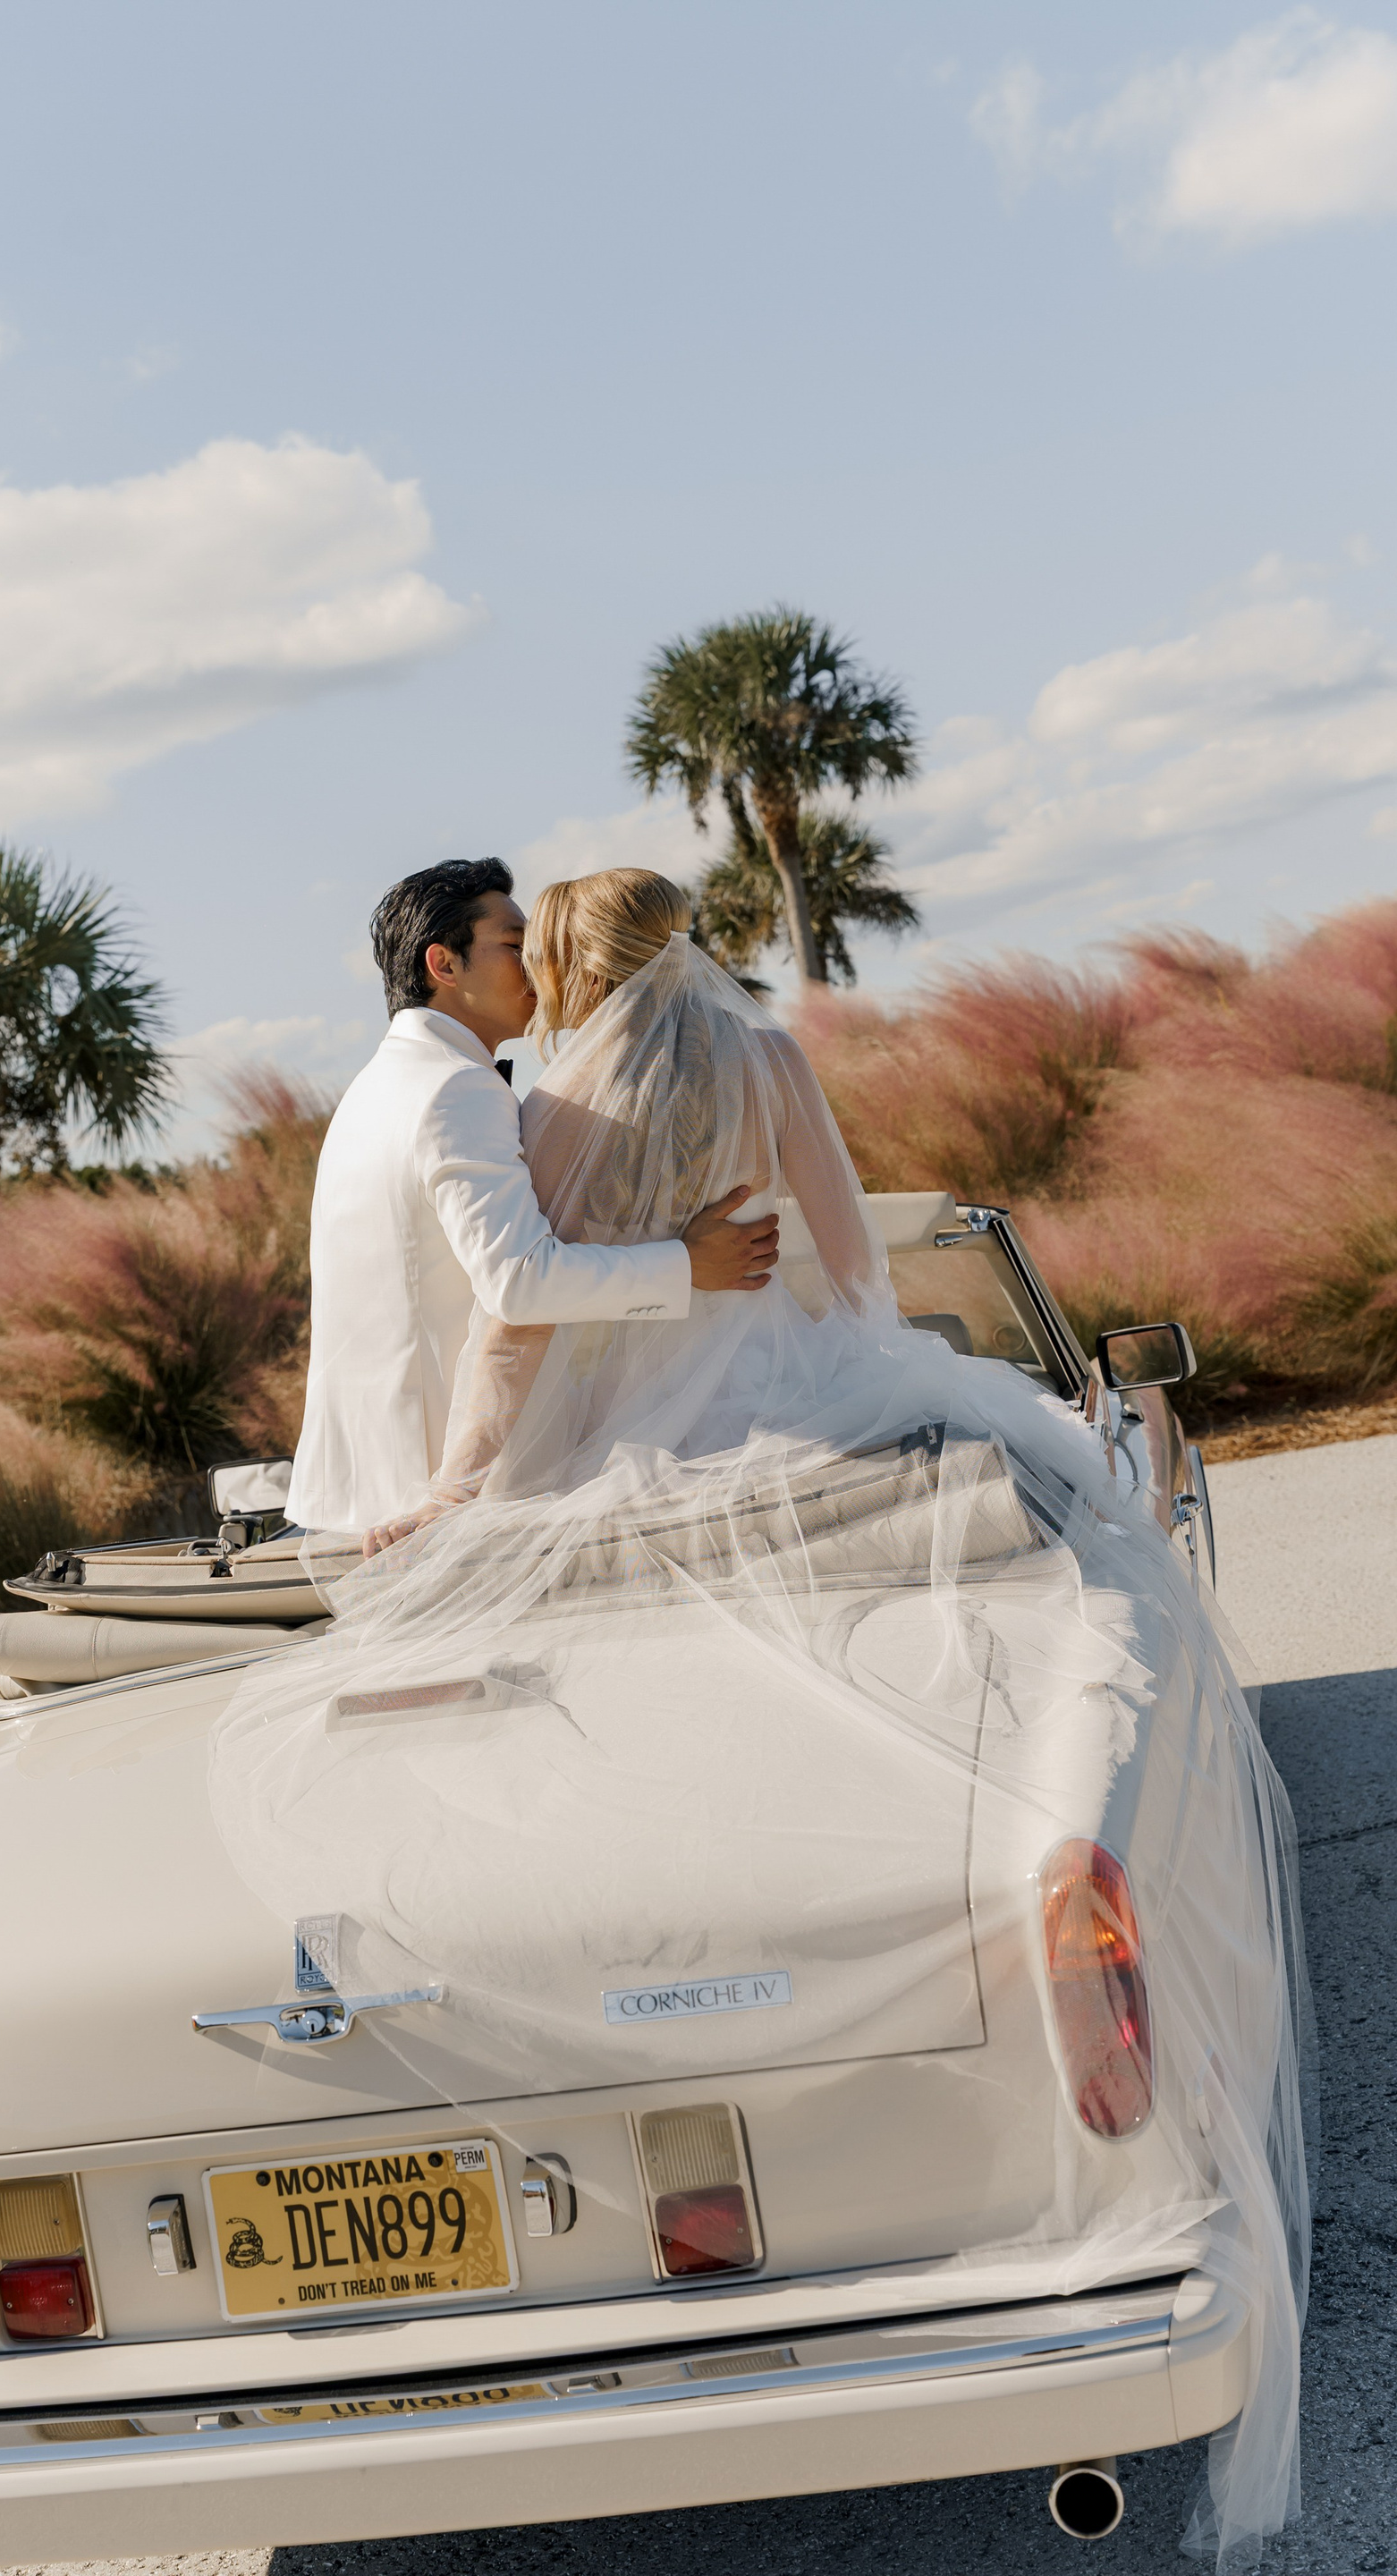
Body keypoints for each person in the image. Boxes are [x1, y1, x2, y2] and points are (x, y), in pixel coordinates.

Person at [214, 867, 1307, 2573]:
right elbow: (855, 1277)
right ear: (690, 949)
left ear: (569, 968)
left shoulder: (545, 1108)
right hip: (814, 1415)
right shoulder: (767, 1063)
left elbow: (516, 1328)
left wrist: (465, 1491)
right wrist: (807, 1354)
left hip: (592, 1470)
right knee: (1093, 1550)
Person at [286, 857, 778, 1537]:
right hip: (444, 1490)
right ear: (444, 964)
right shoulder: (457, 1088)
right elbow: (520, 1282)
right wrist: (687, 1265)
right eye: (515, 946)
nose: (541, 963)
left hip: (355, 1485)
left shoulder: (372, 1088)